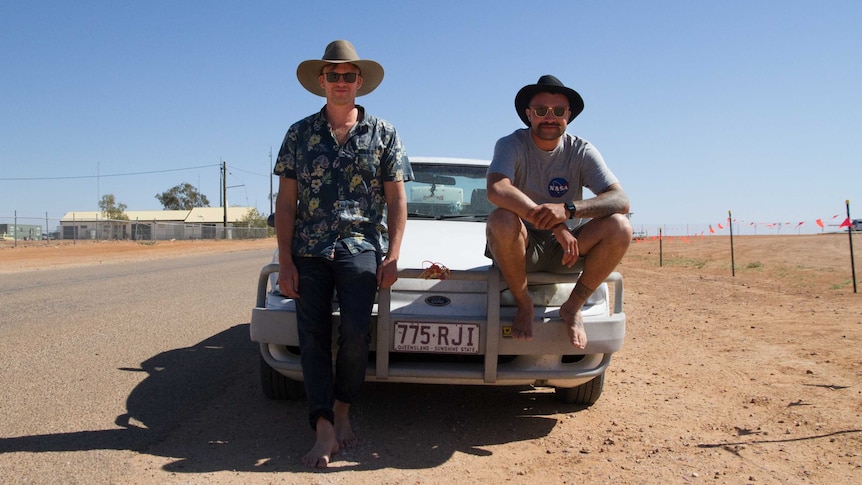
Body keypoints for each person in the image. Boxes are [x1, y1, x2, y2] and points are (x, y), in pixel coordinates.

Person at [273, 39, 411, 468]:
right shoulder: (299, 133)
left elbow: (396, 201)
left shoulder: (384, 133)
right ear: (321, 81)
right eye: (333, 75)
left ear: (359, 82)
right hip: (309, 250)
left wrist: (393, 253)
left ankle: (344, 411)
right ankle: (323, 426)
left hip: (360, 248)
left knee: (354, 334)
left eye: (348, 75)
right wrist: (285, 259)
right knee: (311, 338)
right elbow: (286, 202)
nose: (341, 82)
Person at [485, 75, 631, 349]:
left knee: (620, 226)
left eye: (558, 111)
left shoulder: (582, 150)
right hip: (522, 246)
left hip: (570, 249)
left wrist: (569, 210)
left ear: (568, 116)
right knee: (501, 218)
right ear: (529, 115)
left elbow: (620, 200)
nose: (549, 117)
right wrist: (555, 224)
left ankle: (573, 307)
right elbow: (497, 189)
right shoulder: (511, 144)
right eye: (541, 110)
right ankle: (524, 303)